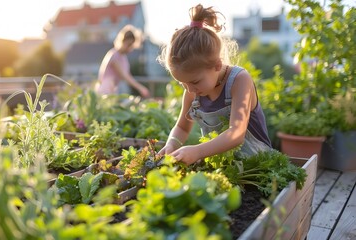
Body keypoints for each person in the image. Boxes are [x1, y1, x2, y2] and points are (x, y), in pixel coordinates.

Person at [157, 4, 273, 165]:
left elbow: (237, 133)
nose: (189, 89)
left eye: (195, 82)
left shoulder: (240, 81)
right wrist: (172, 144)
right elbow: (182, 128)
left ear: (217, 65)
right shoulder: (193, 91)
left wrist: (197, 151)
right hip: (222, 167)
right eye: (182, 83)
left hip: (257, 165)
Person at [96, 24, 150, 98]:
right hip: (105, 90)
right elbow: (124, 76)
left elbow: (128, 75)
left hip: (113, 90)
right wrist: (140, 88)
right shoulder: (113, 55)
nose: (129, 48)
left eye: (131, 45)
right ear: (122, 41)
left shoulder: (123, 57)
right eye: (128, 44)